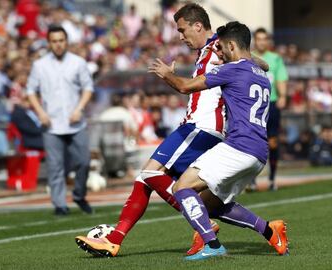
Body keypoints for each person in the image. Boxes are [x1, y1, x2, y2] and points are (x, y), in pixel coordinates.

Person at [75, 3, 269, 258]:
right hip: (198, 127)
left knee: (148, 175)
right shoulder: (211, 50)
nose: (180, 37)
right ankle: (249, 227)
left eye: (182, 29)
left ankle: (195, 227)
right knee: (149, 179)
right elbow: (260, 65)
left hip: (202, 127)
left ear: (198, 25)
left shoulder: (215, 48)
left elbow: (258, 64)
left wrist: (169, 75)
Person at [149, 21, 289, 261]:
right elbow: (255, 65)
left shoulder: (231, 70)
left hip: (238, 147)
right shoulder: (263, 75)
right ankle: (269, 230)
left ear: (232, 45)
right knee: (210, 205)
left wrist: (167, 75)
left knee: (182, 187)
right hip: (258, 154)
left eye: (222, 48)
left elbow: (184, 87)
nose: (219, 53)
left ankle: (212, 245)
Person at [26, 25, 94, 216]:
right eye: (54, 41)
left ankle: (79, 195)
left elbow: (88, 87)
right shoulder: (39, 65)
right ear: (48, 43)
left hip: (75, 122)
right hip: (51, 124)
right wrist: (40, 112)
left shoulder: (78, 62)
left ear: (66, 41)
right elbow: (30, 90)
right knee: (55, 167)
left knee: (84, 162)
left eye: (61, 40)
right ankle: (60, 205)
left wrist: (79, 109)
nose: (58, 44)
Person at [252, 28, 288, 190]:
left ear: (267, 41)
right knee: (252, 142)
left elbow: (281, 78)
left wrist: (282, 96)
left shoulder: (275, 59)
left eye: (264, 39)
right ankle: (251, 180)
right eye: (258, 39)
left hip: (271, 104)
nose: (261, 42)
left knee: (272, 142)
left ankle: (272, 178)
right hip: (253, 105)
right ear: (254, 40)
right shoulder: (248, 57)